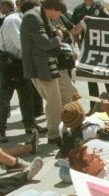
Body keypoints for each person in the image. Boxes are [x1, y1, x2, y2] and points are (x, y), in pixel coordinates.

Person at [21, 0, 83, 145]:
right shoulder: (32, 17)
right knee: (54, 101)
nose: (59, 17)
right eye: (59, 13)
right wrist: (58, 38)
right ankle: (54, 134)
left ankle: (73, 124)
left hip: (53, 64)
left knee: (70, 93)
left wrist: (61, 43)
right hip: (40, 68)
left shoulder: (43, 15)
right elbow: (45, 43)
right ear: (53, 10)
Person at [0, 0, 48, 143]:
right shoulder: (13, 20)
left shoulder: (30, 21)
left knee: (26, 93)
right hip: (5, 61)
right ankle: (0, 128)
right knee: (4, 96)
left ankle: (30, 125)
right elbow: (23, 44)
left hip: (20, 61)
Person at [71, 0, 109, 113]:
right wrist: (79, 43)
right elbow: (73, 29)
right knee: (91, 79)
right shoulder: (78, 10)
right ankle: (94, 106)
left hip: (101, 47)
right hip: (87, 48)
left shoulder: (100, 7)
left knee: (106, 76)